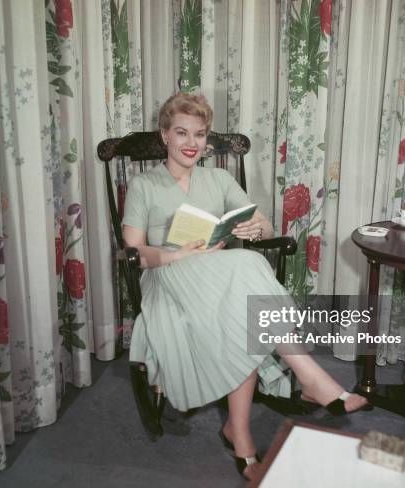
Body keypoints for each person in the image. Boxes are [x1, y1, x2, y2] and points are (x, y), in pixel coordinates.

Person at [122, 92, 368, 480]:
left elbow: (262, 223)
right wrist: (177, 254)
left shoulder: (218, 178)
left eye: (200, 135)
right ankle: (309, 378)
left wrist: (258, 227)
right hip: (166, 276)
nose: (191, 143)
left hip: (216, 274)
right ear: (164, 135)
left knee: (243, 288)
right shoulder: (143, 185)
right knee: (246, 266)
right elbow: (134, 253)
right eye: (182, 133)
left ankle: (240, 434)